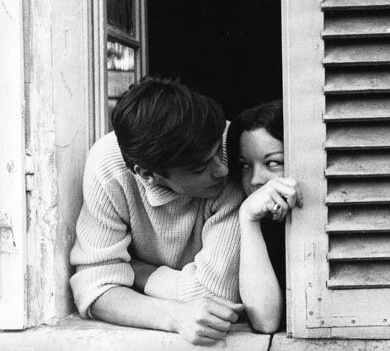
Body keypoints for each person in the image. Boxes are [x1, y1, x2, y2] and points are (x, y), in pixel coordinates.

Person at [70, 76, 246, 346]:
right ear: (148, 175)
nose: (222, 169)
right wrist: (173, 316)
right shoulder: (108, 167)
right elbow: (94, 290)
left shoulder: (233, 147)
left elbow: (214, 294)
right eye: (200, 168)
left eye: (216, 154)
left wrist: (136, 271)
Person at [227, 100, 303, 333]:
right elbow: (265, 321)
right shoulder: (241, 215)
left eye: (272, 163)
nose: (255, 180)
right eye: (246, 166)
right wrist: (248, 219)